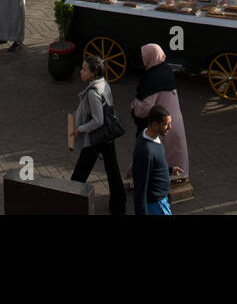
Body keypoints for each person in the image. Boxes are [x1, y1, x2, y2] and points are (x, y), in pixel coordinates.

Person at [70, 55, 127, 216]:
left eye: (84, 69)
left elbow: (98, 120)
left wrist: (79, 129)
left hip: (96, 137)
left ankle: (71, 201)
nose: (81, 72)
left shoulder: (92, 93)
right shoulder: (104, 84)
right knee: (112, 170)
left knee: (80, 172)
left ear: (93, 74)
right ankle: (118, 206)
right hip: (107, 136)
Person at [131, 45, 189, 179]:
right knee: (177, 154)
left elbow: (145, 109)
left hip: (162, 124)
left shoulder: (153, 78)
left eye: (144, 55)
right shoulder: (166, 70)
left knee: (153, 156)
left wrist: (135, 105)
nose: (142, 58)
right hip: (175, 121)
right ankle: (180, 178)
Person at [132, 105, 174, 215]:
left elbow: (154, 165)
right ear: (155, 124)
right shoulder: (146, 151)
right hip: (156, 204)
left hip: (160, 200)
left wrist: (169, 170)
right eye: (165, 124)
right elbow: (140, 185)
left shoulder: (151, 136)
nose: (170, 127)